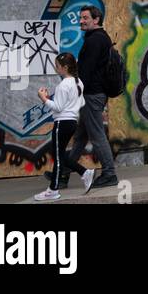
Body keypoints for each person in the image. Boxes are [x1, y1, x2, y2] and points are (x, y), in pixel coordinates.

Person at [63, 6, 119, 189]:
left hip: (92, 95)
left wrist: (74, 92)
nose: (81, 21)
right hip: (93, 93)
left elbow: (86, 71)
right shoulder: (98, 38)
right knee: (80, 137)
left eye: (85, 18)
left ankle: (109, 173)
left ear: (96, 20)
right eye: (80, 18)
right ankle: (62, 172)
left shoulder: (95, 40)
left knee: (97, 135)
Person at [34, 53, 90, 201]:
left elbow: (57, 107)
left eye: (57, 66)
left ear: (65, 67)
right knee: (59, 154)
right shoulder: (79, 83)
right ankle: (84, 173)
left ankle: (53, 190)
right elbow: (82, 103)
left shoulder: (63, 85)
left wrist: (44, 98)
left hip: (62, 122)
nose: (56, 68)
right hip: (72, 122)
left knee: (58, 156)